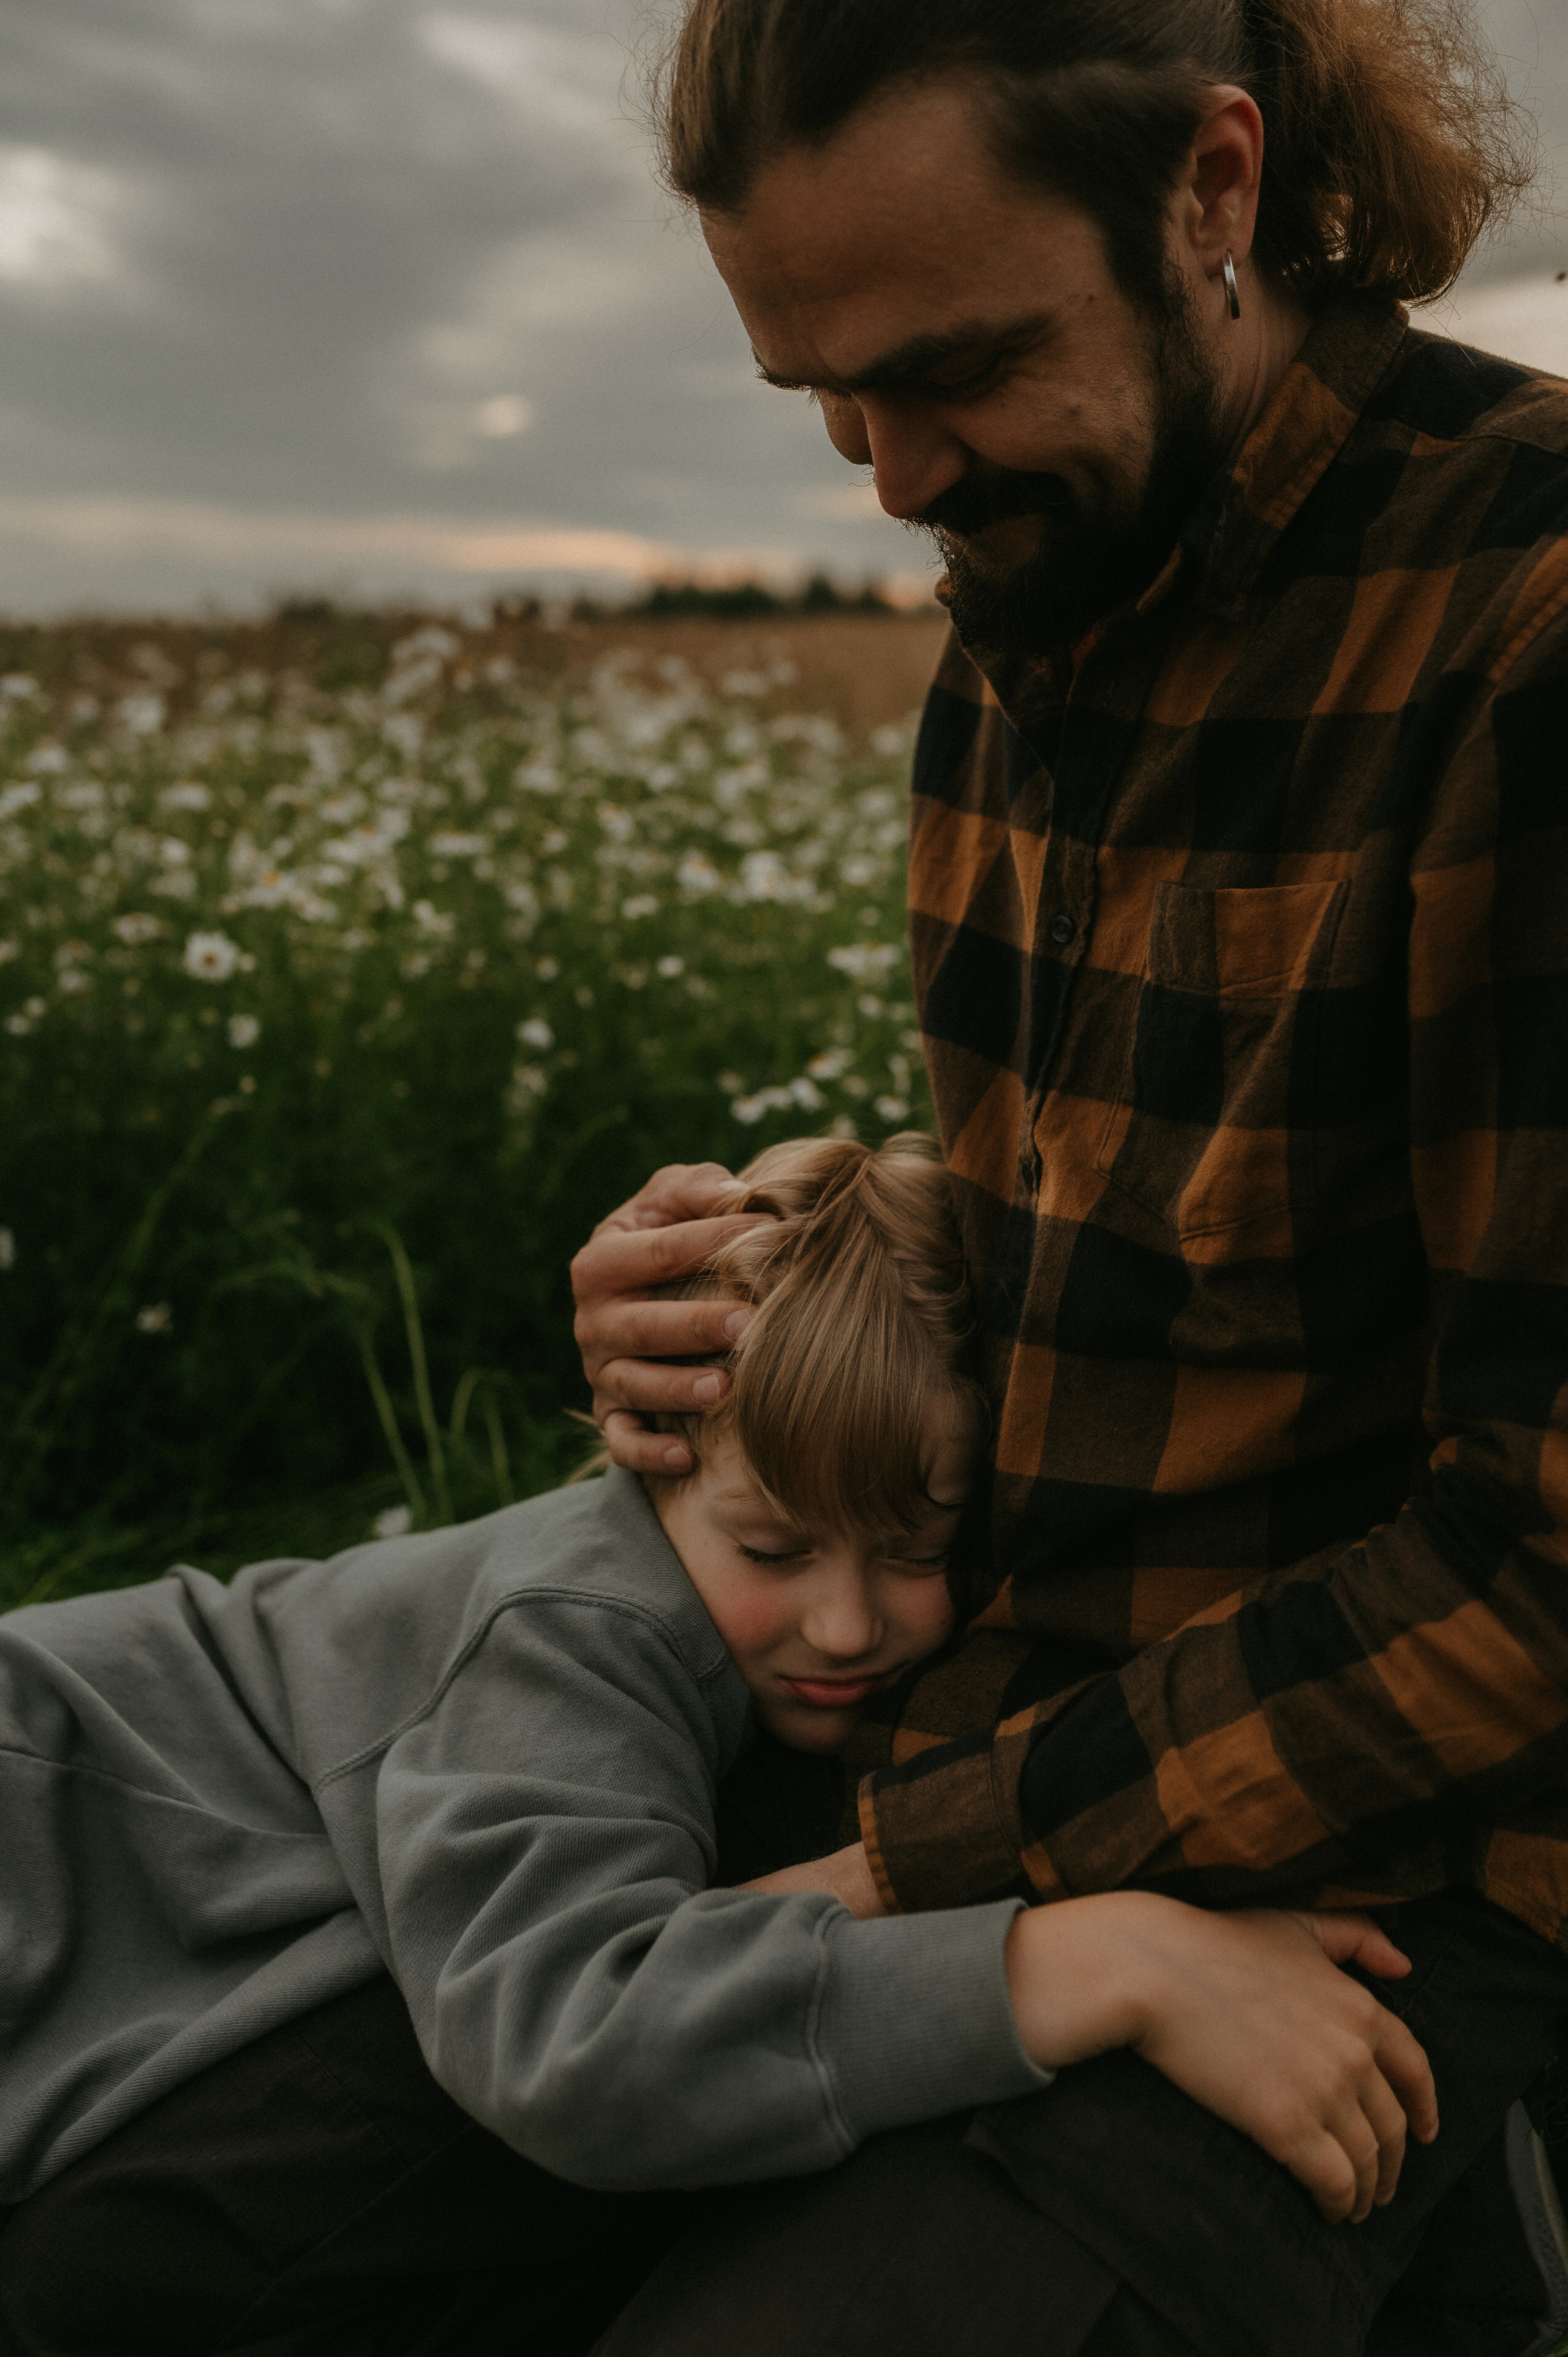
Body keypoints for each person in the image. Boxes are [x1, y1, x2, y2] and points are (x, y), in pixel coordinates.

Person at [571, 1, 1568, 2351]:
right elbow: (1122, 1241)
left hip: (1398, 1875)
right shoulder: (1024, 605)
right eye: (819, 389)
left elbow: (1546, 1548)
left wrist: (923, 1879)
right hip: (974, 1738)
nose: (894, 475)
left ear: (1212, 192)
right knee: (158, 2213)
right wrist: (769, 1278)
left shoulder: (1528, 626)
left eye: (956, 365)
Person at [0, 1134, 1434, 2356]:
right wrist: (1075, 1960)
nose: (843, 1621)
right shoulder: (579, 1623)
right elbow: (567, 2029)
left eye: (915, 1546)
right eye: (772, 1543)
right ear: (645, 1447)